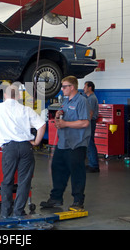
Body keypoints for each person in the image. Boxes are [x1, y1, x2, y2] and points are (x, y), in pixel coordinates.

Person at [0, 84, 46, 218]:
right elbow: (42, 125)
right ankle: (18, 212)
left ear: (5, 95)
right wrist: (36, 142)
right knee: (24, 181)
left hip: (9, 149)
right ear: (18, 96)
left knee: (7, 180)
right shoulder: (25, 109)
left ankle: (5, 213)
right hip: (25, 148)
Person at [40, 76, 91, 211]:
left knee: (77, 172)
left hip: (77, 143)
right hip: (63, 142)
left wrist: (65, 123)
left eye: (64, 87)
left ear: (72, 87)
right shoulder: (65, 101)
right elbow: (63, 119)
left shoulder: (82, 101)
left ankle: (78, 201)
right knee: (57, 169)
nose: (62, 89)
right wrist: (58, 115)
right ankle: (56, 198)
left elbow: (85, 122)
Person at [84, 81, 100, 173]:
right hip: (89, 122)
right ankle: (91, 163)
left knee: (90, 143)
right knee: (88, 143)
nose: (83, 88)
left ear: (90, 88)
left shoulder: (92, 98)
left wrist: (85, 123)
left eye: (85, 86)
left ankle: (94, 165)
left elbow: (90, 113)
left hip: (90, 122)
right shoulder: (89, 98)